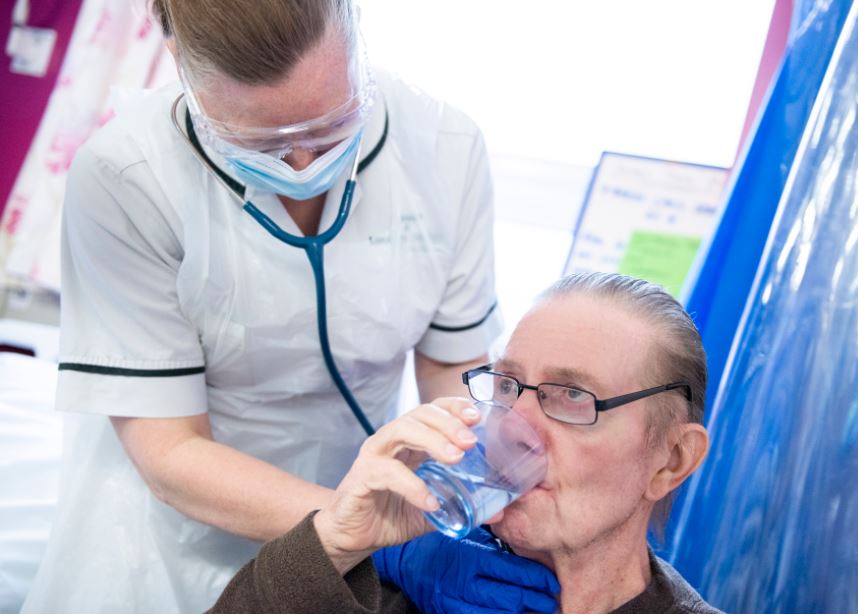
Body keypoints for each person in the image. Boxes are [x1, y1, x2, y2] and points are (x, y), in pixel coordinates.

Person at [21, 1, 560, 612]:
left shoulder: (445, 147)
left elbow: (449, 372)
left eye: (331, 125)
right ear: (180, 65)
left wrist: (469, 487)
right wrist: (375, 535)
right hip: (173, 539)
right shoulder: (126, 176)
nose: (304, 163)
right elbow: (171, 453)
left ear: (358, 34)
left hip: (361, 514)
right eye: (262, 142)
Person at [210, 272, 723, 613]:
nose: (513, 425)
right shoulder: (393, 594)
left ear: (670, 460)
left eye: (571, 396)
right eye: (505, 386)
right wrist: (334, 543)